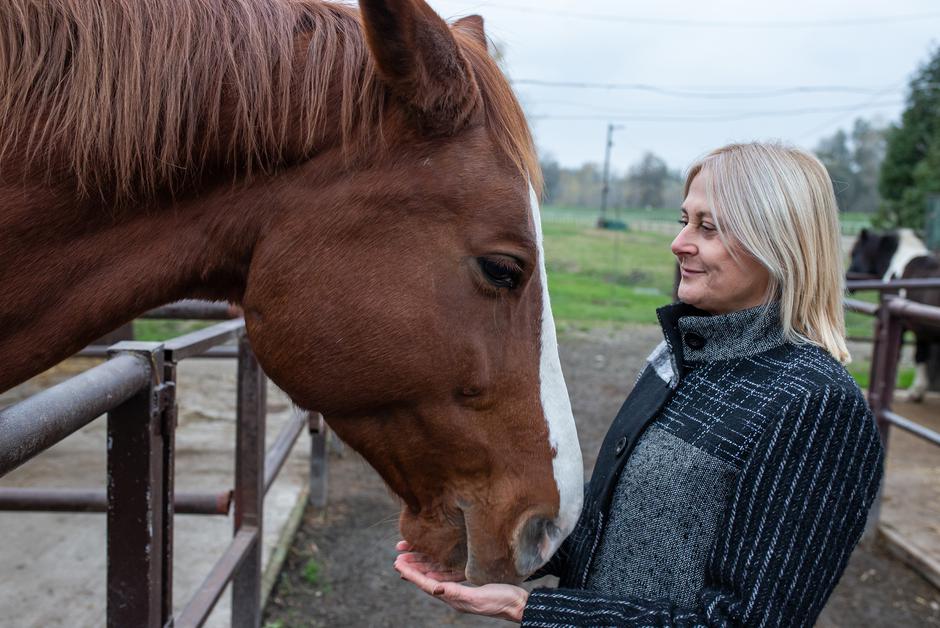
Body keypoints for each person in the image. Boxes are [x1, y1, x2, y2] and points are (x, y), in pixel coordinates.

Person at [394, 141, 885, 626]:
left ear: (777, 243)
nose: (679, 243)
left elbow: (745, 621)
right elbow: (619, 523)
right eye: (684, 220)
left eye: (708, 227)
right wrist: (488, 548)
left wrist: (528, 608)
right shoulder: (678, 357)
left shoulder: (817, 406)